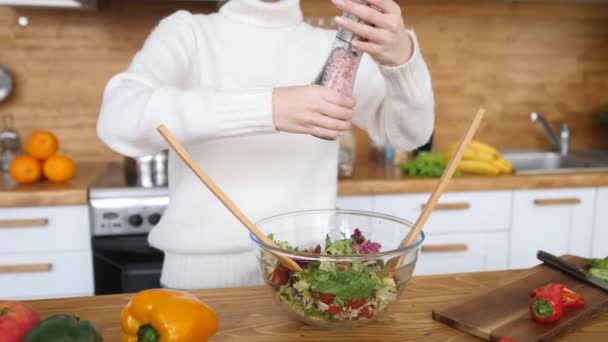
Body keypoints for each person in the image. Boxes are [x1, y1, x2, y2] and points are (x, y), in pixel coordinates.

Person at [97, 0, 434, 290]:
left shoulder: (336, 47)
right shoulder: (188, 33)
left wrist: (402, 59)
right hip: (198, 284)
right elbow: (119, 117)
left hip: (309, 277)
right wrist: (270, 107)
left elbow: (409, 134)